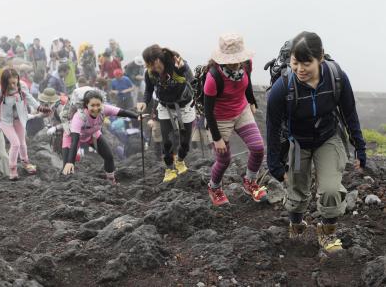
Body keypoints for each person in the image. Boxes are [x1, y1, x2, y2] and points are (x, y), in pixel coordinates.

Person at [266, 31, 367, 252]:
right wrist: (274, 163)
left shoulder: (336, 77)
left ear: (320, 58)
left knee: (331, 189)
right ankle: (296, 224)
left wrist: (360, 147)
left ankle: (327, 232)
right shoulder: (282, 88)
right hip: (297, 142)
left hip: (327, 137)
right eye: (295, 62)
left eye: (306, 63)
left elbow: (349, 113)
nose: (300, 69)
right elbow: (272, 128)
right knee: (296, 191)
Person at [204, 33, 265, 206]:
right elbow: (208, 111)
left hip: (241, 110)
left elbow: (248, 83)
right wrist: (217, 139)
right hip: (220, 118)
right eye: (229, 59)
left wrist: (251, 100)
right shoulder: (213, 77)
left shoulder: (246, 64)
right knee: (224, 159)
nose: (233, 62)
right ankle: (214, 187)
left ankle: (250, 182)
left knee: (258, 148)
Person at [137, 44, 195, 183]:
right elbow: (148, 91)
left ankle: (180, 161)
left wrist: (184, 68)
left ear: (159, 58)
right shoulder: (150, 73)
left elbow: (192, 81)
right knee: (167, 141)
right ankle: (169, 169)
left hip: (184, 105)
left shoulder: (177, 64)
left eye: (152, 63)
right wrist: (144, 102)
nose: (152, 67)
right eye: (148, 64)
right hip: (165, 107)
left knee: (185, 141)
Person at [0, 68, 52, 180]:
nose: (13, 86)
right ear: (5, 83)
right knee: (15, 144)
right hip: (5, 121)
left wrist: (41, 108)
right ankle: (13, 170)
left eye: (15, 82)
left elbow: (30, 99)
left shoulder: (22, 86)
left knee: (22, 143)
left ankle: (26, 164)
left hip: (19, 118)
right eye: (10, 84)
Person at [62, 90, 139, 185]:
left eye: (98, 105)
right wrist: (70, 161)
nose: (96, 108)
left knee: (109, 157)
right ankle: (66, 186)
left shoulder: (104, 109)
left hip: (92, 134)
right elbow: (75, 140)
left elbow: (122, 112)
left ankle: (111, 181)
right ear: (86, 105)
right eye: (92, 105)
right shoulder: (79, 117)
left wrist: (137, 116)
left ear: (102, 104)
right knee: (67, 166)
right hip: (72, 137)